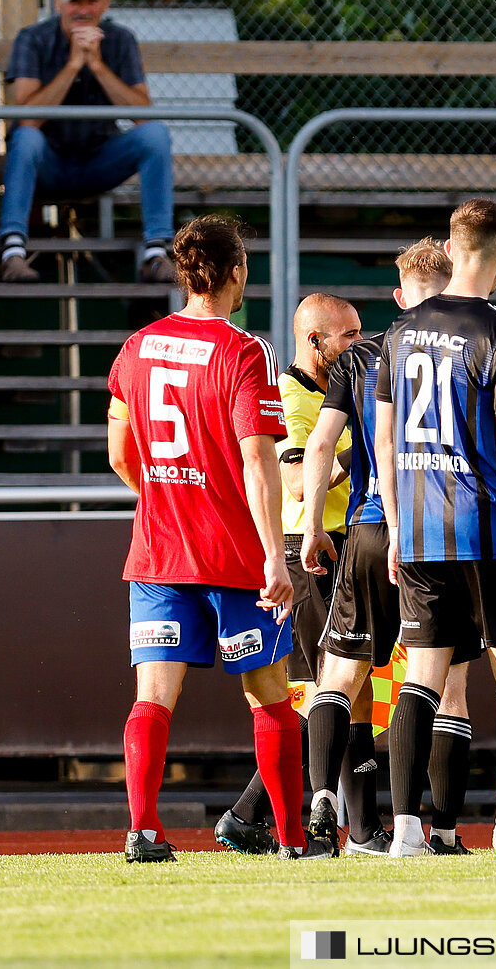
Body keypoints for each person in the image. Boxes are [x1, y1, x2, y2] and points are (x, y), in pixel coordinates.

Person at [105, 215, 310, 861]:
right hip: (233, 556)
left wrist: (169, 496)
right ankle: (292, 840)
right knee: (269, 696)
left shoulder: (137, 346)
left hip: (159, 554)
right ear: (236, 272)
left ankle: (142, 829)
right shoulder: (246, 351)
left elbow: (118, 453)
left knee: (154, 695)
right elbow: (258, 462)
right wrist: (275, 556)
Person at [374, 199, 496, 856]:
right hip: (487, 532)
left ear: (451, 249)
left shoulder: (399, 331)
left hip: (418, 528)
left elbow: (387, 440)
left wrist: (395, 526)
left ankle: (404, 833)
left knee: (420, 679)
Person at [298, 240, 479, 856]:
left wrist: (315, 526)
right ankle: (440, 827)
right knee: (444, 684)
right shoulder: (473, 344)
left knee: (342, 673)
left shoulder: (363, 355)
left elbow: (321, 448)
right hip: (442, 533)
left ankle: (323, 792)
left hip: (370, 529)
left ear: (399, 297)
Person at [213, 293, 364, 855]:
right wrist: (358, 451)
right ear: (313, 340)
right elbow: (300, 481)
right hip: (308, 551)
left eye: (358, 332)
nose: (357, 343)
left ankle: (261, 816)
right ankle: (263, 815)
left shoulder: (336, 389)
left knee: (341, 689)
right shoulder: (289, 395)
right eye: (346, 335)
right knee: (325, 692)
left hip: (338, 545)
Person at [0, 0, 175, 284]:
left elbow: (142, 115)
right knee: (25, 139)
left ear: (105, 4)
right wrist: (73, 64)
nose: (82, 10)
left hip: (100, 161)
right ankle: (12, 254)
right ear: (58, 3)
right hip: (48, 165)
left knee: (156, 135)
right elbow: (26, 121)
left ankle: (156, 253)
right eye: (74, 2)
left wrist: (95, 63)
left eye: (90, 1)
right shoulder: (33, 38)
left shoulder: (120, 40)